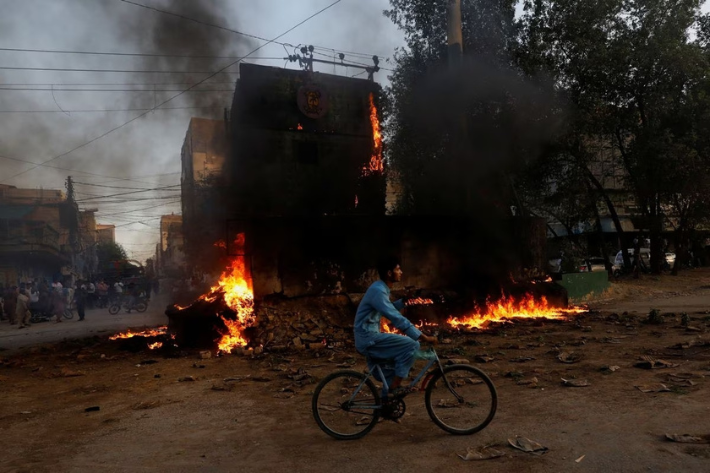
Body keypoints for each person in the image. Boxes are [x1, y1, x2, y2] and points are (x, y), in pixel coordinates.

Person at [354, 257, 437, 396]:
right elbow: (395, 317)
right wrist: (422, 337)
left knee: (391, 373)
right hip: (368, 338)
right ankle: (394, 388)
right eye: (398, 269)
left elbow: (388, 308)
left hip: (370, 336)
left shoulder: (380, 288)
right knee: (412, 345)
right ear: (389, 273)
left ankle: (386, 407)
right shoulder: (378, 291)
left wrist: (404, 301)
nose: (401, 272)